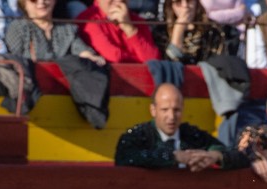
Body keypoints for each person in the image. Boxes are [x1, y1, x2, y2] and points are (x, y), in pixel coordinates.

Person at [115, 83, 248, 171]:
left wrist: (215, 155)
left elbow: (237, 155)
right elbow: (124, 157)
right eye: (165, 110)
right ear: (153, 110)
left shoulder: (192, 135)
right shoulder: (138, 136)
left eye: (176, 110)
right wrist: (173, 156)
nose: (171, 116)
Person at [5, 0, 105, 64]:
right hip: (31, 90)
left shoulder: (68, 29)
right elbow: (13, 62)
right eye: (33, 0)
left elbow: (82, 51)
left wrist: (92, 58)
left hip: (64, 90)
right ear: (24, 3)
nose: (41, 2)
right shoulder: (18, 27)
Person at [153, 0, 239, 65]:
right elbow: (167, 66)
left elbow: (217, 64)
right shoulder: (161, 32)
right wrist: (178, 31)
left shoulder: (212, 30)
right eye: (178, 1)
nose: (185, 5)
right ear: (171, 5)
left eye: (189, 0)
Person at [77, 0, 161, 63]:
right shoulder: (89, 20)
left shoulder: (137, 21)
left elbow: (153, 61)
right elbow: (114, 58)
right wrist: (140, 60)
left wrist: (130, 29)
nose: (119, 0)